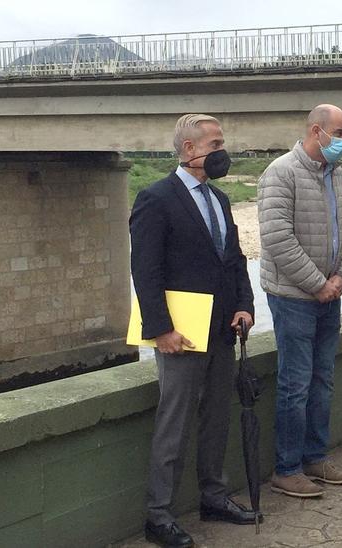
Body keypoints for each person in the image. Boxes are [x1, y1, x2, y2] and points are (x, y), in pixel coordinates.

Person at [130, 114, 258, 548]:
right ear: (189, 149)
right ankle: (158, 515)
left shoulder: (220, 200)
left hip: (222, 328)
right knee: (175, 422)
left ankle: (214, 496)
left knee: (217, 417)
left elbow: (234, 258)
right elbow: (145, 271)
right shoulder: (156, 198)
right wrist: (160, 330)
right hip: (180, 333)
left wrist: (245, 305)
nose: (223, 150)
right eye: (216, 142)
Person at [258, 104, 342, 498]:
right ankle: (287, 468)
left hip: (329, 294)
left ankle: (315, 457)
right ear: (316, 131)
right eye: (340, 132)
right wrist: (317, 284)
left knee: (323, 380)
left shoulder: (338, 175)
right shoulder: (281, 172)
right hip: (293, 297)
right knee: (295, 383)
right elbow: (277, 239)